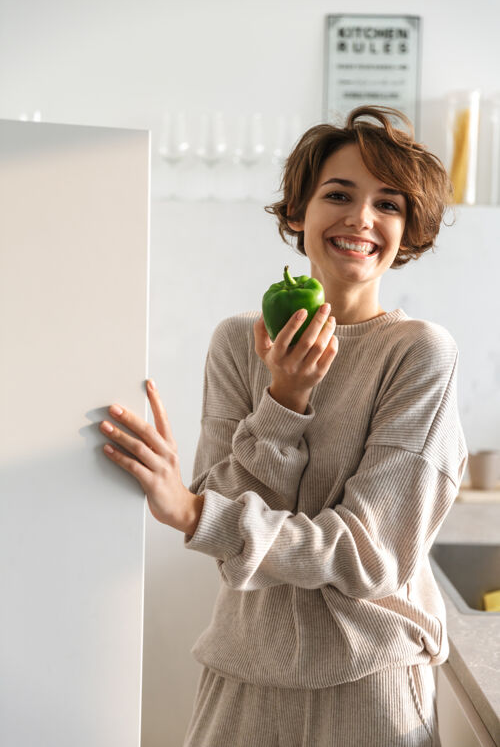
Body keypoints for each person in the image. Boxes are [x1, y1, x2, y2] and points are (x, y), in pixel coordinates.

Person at [99, 106, 467, 746]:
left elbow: (370, 556)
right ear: (297, 213)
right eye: (339, 194)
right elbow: (229, 537)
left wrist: (193, 513)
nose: (361, 218)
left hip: (371, 681)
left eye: (389, 205)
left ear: (408, 233)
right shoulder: (240, 342)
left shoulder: (420, 352)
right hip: (246, 675)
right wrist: (285, 398)